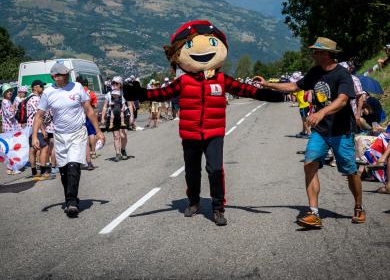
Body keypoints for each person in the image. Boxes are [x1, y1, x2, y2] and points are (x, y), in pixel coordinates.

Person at [123, 19, 284, 226]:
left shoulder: (221, 79)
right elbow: (163, 93)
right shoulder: (184, 81)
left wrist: (270, 95)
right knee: (192, 170)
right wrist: (141, 93)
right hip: (190, 133)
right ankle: (193, 201)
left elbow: (247, 90)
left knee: (215, 169)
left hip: (214, 132)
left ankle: (218, 208)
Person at [254, 37, 365, 228]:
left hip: (341, 130)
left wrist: (321, 112)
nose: (313, 54)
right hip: (321, 131)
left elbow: (343, 100)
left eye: (316, 51)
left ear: (326, 54)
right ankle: (314, 213)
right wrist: (268, 84)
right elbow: (294, 86)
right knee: (309, 164)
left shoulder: (342, 75)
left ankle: (358, 206)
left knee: (350, 171)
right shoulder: (315, 72)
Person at [32, 62, 105, 218]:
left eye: (66, 74)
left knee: (73, 165)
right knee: (64, 170)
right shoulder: (48, 93)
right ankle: (69, 198)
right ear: (54, 76)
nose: (65, 76)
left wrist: (98, 131)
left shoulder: (77, 87)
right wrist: (34, 136)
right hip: (60, 136)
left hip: (77, 133)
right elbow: (38, 116)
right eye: (61, 74)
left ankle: (72, 202)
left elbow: (89, 110)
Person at [101, 76, 132, 162]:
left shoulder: (124, 93)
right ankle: (118, 154)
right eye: (113, 83)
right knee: (116, 136)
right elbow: (104, 106)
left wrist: (132, 116)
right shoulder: (108, 94)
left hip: (123, 115)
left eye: (116, 83)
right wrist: (103, 118)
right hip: (113, 116)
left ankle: (123, 149)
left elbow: (129, 105)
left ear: (120, 85)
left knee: (123, 135)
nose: (114, 84)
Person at [27, 80, 51, 181]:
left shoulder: (28, 98)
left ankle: (34, 172)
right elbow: (39, 116)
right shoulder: (36, 99)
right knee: (44, 148)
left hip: (29, 128)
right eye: (41, 86)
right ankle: (43, 171)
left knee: (32, 149)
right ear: (35, 87)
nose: (43, 88)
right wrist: (43, 130)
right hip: (36, 129)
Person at [1, 83, 21, 175]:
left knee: (11, 148)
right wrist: (15, 108)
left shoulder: (7, 101)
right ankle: (10, 168)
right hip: (9, 128)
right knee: (10, 148)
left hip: (9, 127)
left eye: (10, 91)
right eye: (7, 91)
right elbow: (10, 115)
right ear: (4, 93)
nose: (10, 92)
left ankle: (11, 168)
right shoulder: (5, 102)